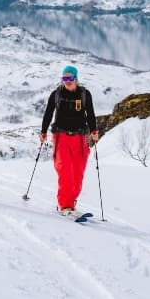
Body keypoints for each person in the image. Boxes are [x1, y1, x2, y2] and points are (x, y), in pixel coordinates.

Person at [38, 64, 98, 216]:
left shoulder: (85, 94)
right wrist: (43, 131)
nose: (67, 81)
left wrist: (94, 131)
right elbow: (48, 113)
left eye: (70, 78)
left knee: (78, 173)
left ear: (76, 79)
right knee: (65, 171)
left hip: (80, 137)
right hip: (61, 136)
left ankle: (71, 202)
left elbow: (90, 114)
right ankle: (65, 205)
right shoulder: (56, 94)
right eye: (64, 78)